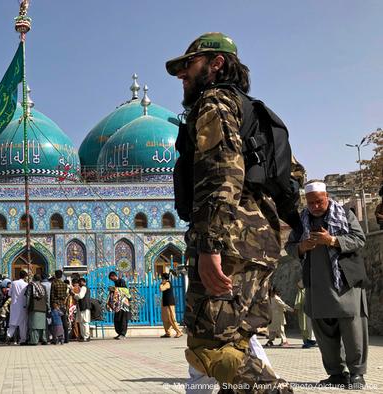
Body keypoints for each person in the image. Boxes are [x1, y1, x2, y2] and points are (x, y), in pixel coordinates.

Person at [166, 32, 294, 392]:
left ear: (216, 63)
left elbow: (220, 173)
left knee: (214, 348)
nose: (182, 75)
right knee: (236, 342)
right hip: (260, 243)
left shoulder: (215, 104)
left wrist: (210, 246)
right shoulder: (256, 114)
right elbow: (291, 179)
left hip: (230, 242)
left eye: (189, 65)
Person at [286, 181, 368, 389]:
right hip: (316, 286)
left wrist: (331, 240)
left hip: (345, 284)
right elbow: (289, 246)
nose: (314, 206)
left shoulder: (346, 214)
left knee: (353, 331)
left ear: (327, 196)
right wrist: (302, 246)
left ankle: (357, 373)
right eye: (311, 203)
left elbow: (359, 239)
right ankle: (336, 374)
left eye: (319, 201)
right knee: (324, 334)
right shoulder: (300, 222)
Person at [6, 270, 29, 345]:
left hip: (14, 305)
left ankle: (8, 336)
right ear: (25, 276)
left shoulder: (14, 283)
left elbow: (9, 293)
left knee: (13, 323)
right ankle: (23, 339)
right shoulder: (26, 284)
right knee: (23, 324)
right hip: (23, 305)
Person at [25, 274, 49, 345]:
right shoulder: (43, 287)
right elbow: (47, 298)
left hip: (34, 307)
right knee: (42, 325)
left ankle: (34, 341)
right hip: (43, 308)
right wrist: (47, 307)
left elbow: (28, 297)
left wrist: (27, 306)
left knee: (34, 325)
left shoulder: (31, 286)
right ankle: (44, 339)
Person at [294, 280, 317, 349]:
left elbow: (298, 301)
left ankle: (310, 340)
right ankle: (311, 339)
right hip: (310, 309)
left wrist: (295, 309)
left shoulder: (302, 291)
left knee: (307, 325)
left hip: (307, 310)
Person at [159, 273, 182, 338]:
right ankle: (167, 332)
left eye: (162, 278)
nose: (161, 280)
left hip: (169, 304)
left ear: (164, 279)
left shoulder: (168, 283)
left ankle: (179, 332)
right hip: (165, 303)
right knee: (165, 319)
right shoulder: (165, 283)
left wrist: (161, 284)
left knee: (171, 318)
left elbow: (161, 289)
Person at [50, 270, 70, 344]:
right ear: (61, 276)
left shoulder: (54, 284)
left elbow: (52, 296)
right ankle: (66, 339)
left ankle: (56, 339)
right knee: (64, 322)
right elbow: (65, 295)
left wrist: (52, 304)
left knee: (56, 322)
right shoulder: (64, 284)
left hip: (56, 305)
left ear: (55, 275)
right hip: (62, 305)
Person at [108, 271, 129, 339]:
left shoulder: (121, 281)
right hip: (117, 304)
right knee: (117, 319)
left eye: (111, 278)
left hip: (123, 304)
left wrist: (115, 289)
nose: (112, 280)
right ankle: (119, 333)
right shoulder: (115, 283)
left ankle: (123, 334)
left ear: (113, 276)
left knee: (123, 319)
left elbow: (125, 290)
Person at [73, 277, 91, 342]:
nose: (79, 284)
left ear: (82, 282)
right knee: (82, 322)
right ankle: (84, 336)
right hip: (83, 307)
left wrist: (74, 294)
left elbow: (80, 296)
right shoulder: (85, 288)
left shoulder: (84, 288)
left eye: (80, 282)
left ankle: (86, 336)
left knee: (84, 322)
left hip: (84, 307)